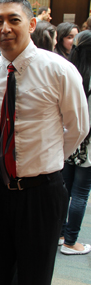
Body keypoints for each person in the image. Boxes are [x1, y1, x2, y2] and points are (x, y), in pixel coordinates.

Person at [0, 0, 89, 285]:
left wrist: (48, 160)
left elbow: (78, 127)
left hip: (41, 194)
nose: (5, 28)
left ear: (31, 24)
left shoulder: (60, 70)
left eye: (14, 20)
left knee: (34, 276)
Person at [60, 30, 91, 255]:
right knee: (80, 193)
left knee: (66, 189)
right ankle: (71, 242)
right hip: (87, 143)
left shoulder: (69, 72)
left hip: (68, 139)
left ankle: (60, 234)